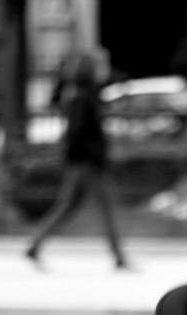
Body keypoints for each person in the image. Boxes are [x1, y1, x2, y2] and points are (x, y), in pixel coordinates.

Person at [25, 49, 129, 270]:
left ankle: (35, 244)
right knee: (105, 209)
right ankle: (119, 256)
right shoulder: (83, 97)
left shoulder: (82, 95)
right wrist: (96, 153)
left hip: (82, 161)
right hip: (87, 163)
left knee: (67, 207)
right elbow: (78, 132)